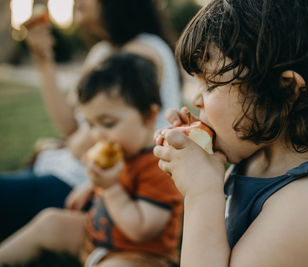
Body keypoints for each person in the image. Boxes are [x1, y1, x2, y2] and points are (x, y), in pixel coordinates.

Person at [153, 0, 308, 266]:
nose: (196, 99)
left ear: (284, 90)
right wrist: (202, 159)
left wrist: (202, 193)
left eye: (212, 84)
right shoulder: (255, 158)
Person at [0, 0, 181, 239]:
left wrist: (70, 144)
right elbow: (70, 125)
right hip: (75, 175)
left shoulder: (141, 53)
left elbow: (78, 146)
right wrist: (44, 60)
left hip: (97, 187)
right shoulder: (102, 51)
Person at [0, 52, 183, 267]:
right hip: (98, 237)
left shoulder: (160, 165)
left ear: (150, 116)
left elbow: (142, 230)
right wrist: (91, 186)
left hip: (140, 256)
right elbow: (120, 183)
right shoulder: (123, 154)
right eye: (90, 124)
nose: (98, 135)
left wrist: (110, 188)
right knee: (50, 221)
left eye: (107, 123)